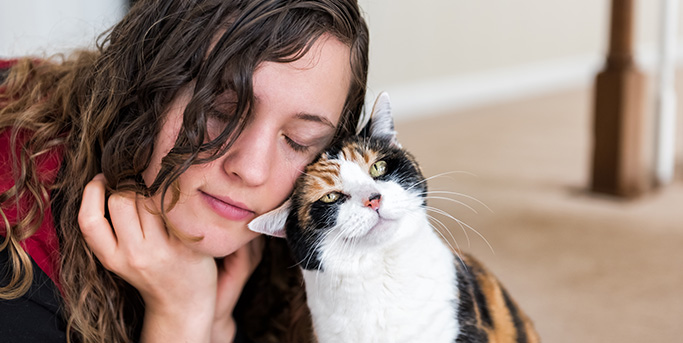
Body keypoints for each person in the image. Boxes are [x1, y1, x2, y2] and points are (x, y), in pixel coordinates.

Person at [0, 0, 369, 342]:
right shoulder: (14, 264)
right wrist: (181, 315)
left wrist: (217, 328)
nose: (253, 170)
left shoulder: (288, 240)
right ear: (147, 84)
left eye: (299, 140)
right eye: (222, 112)